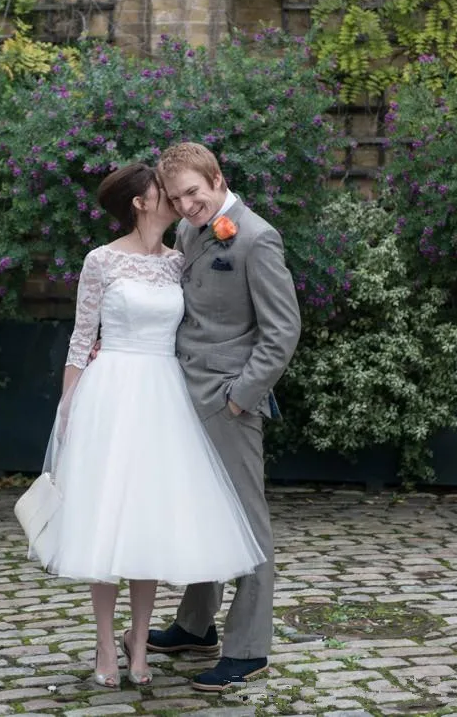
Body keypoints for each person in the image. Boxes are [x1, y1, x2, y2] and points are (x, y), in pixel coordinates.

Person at [34, 163, 264, 691]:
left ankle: (140, 645)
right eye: (164, 191)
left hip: (165, 397)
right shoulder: (102, 260)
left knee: (147, 521)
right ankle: (105, 645)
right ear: (140, 202)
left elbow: (204, 321)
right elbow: (79, 337)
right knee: (104, 521)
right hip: (110, 394)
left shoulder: (179, 261)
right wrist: (68, 408)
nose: (176, 200)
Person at [145, 142, 301, 692]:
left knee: (246, 523)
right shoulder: (189, 232)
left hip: (227, 400)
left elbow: (282, 331)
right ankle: (194, 625)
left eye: (194, 192)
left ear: (217, 178)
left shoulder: (256, 238)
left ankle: (249, 649)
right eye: (177, 197)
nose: (187, 206)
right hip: (182, 394)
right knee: (204, 512)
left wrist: (241, 395)